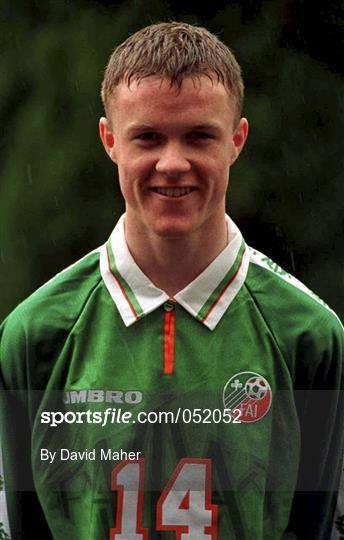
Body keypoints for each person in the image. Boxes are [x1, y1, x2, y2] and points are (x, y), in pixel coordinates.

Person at [0, 21, 343, 540]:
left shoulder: (310, 336)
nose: (173, 162)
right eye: (149, 137)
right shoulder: (35, 334)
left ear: (237, 140)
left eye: (199, 136)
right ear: (110, 140)